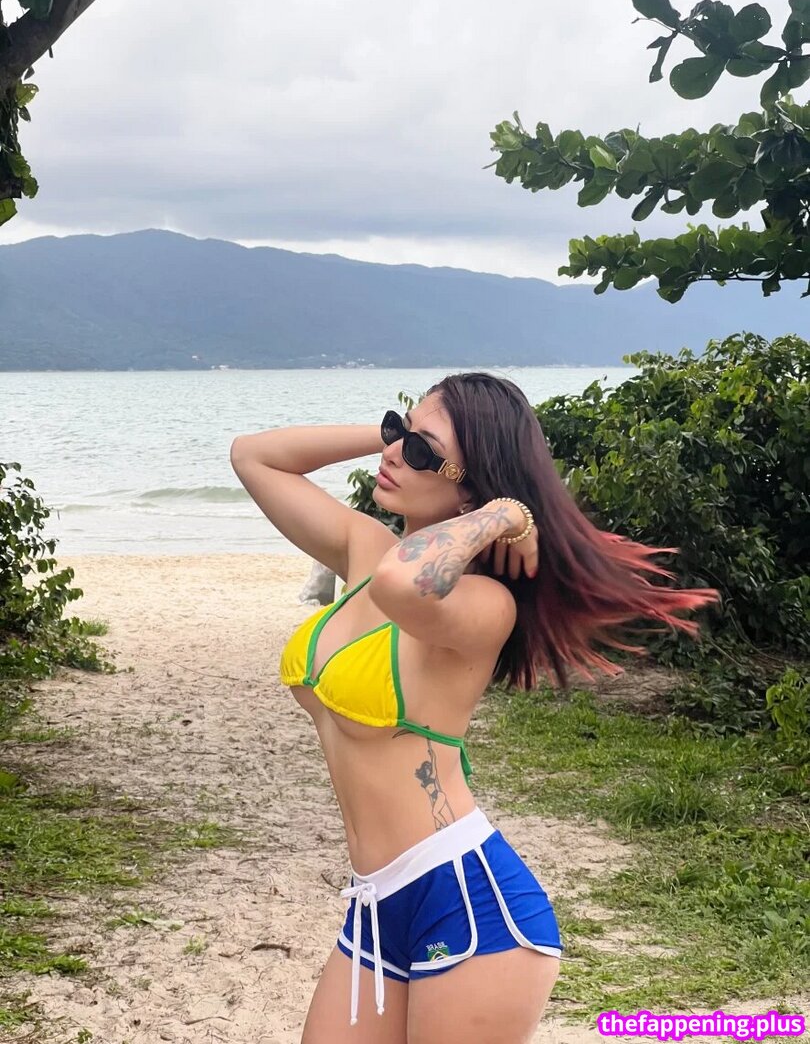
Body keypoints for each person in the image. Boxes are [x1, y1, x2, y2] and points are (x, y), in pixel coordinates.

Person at [230, 372, 720, 1044]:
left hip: (467, 905)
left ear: (471, 490)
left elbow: (406, 583)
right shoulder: (365, 548)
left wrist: (505, 514)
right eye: (399, 432)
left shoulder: (485, 605)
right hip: (374, 902)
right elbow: (254, 456)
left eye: (422, 453)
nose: (395, 455)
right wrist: (394, 437)